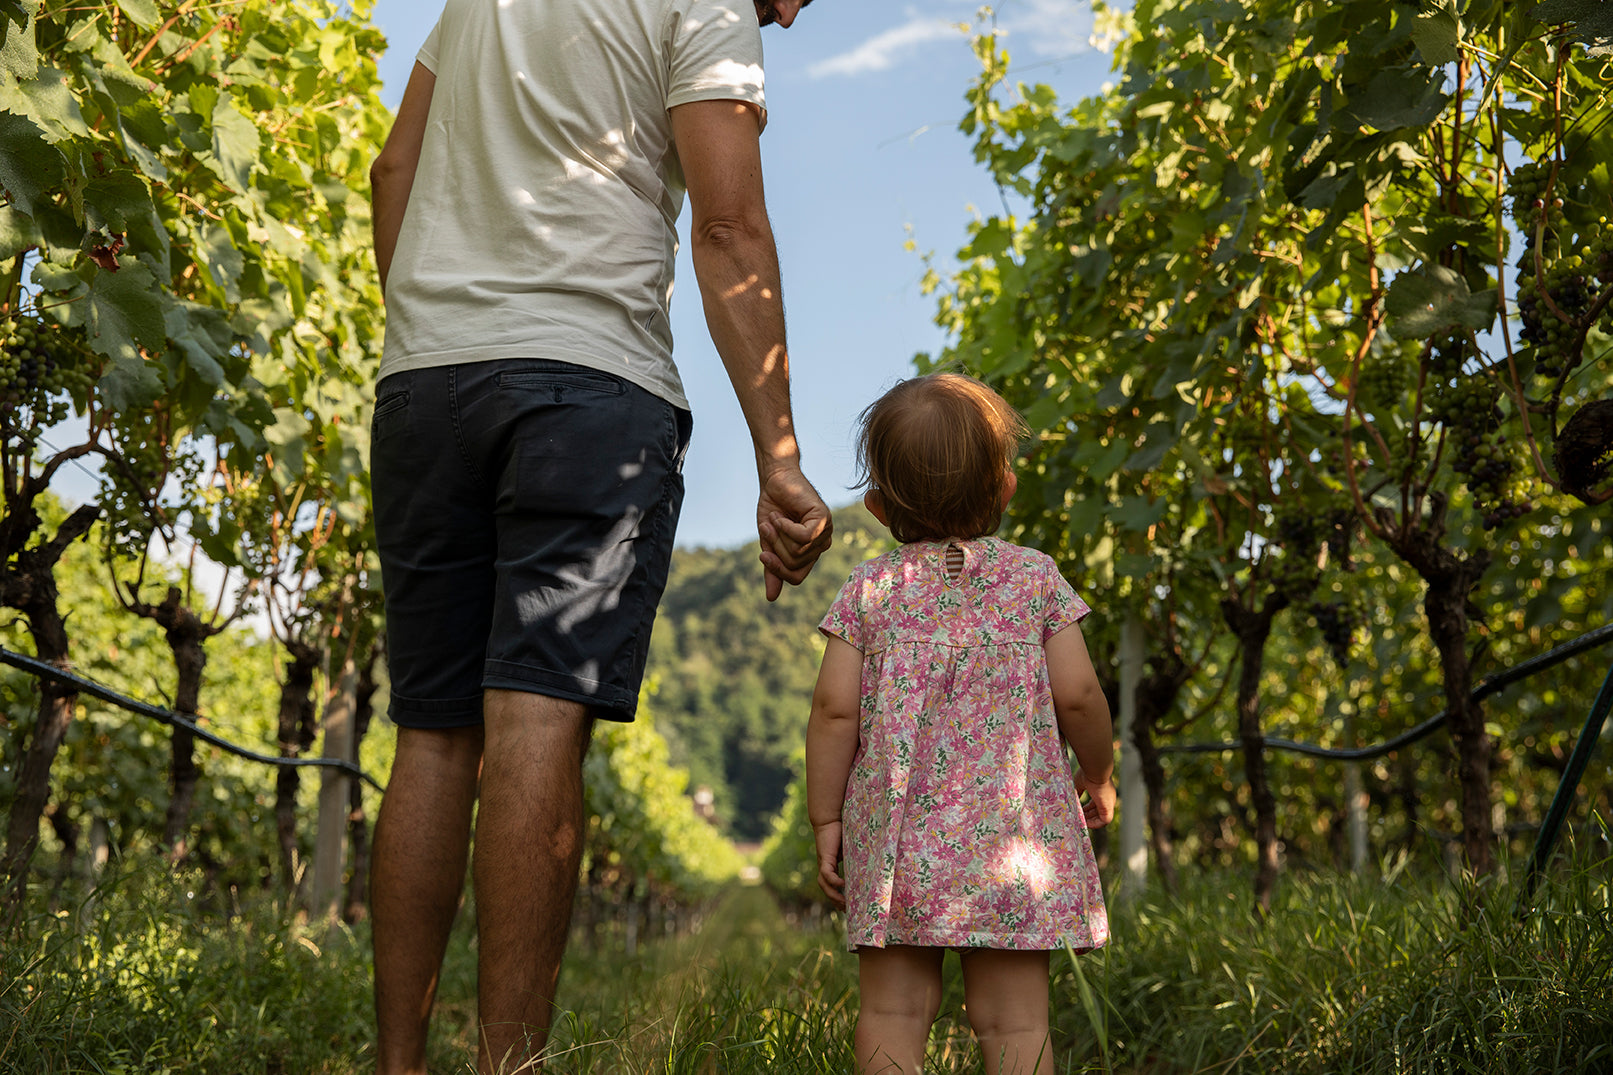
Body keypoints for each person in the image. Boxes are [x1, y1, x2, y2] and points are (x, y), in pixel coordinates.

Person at [365, 1, 829, 1072]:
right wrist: (778, 454)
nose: (793, 13)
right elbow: (727, 228)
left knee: (431, 732)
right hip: (583, 383)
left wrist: (438, 330)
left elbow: (395, 171)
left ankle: (395, 1066)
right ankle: (507, 1067)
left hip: (425, 383)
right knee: (534, 719)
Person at [805, 372, 1116, 1075]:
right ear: (1004, 487)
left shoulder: (870, 589)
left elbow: (832, 711)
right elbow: (1079, 696)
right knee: (1013, 1021)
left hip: (895, 842)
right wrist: (1095, 772)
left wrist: (826, 819)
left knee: (891, 1013)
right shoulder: (1034, 580)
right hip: (1012, 844)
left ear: (879, 507)